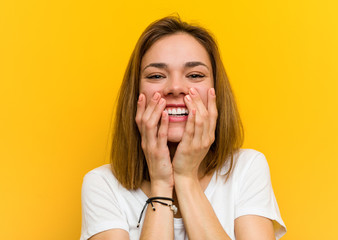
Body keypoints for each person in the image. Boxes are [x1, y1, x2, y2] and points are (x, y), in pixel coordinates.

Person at [80, 16, 286, 240]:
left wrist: (186, 177)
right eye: (156, 76)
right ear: (135, 95)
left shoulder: (247, 168)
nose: (176, 88)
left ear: (215, 91)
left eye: (195, 75)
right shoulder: (102, 184)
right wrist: (160, 185)